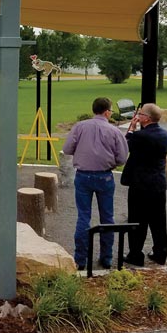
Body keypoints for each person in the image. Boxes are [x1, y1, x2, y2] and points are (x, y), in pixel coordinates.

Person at [62, 97, 128, 269]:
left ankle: (80, 259)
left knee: (83, 217)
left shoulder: (80, 127)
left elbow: (68, 149)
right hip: (105, 177)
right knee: (107, 217)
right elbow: (122, 158)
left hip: (83, 176)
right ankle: (106, 257)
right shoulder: (114, 131)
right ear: (107, 112)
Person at [121, 103, 167, 267]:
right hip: (158, 184)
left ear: (146, 118)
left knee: (137, 221)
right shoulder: (165, 134)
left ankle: (136, 254)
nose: (138, 115)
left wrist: (132, 127)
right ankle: (160, 252)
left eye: (140, 114)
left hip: (140, 185)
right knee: (159, 220)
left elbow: (126, 144)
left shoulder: (140, 137)